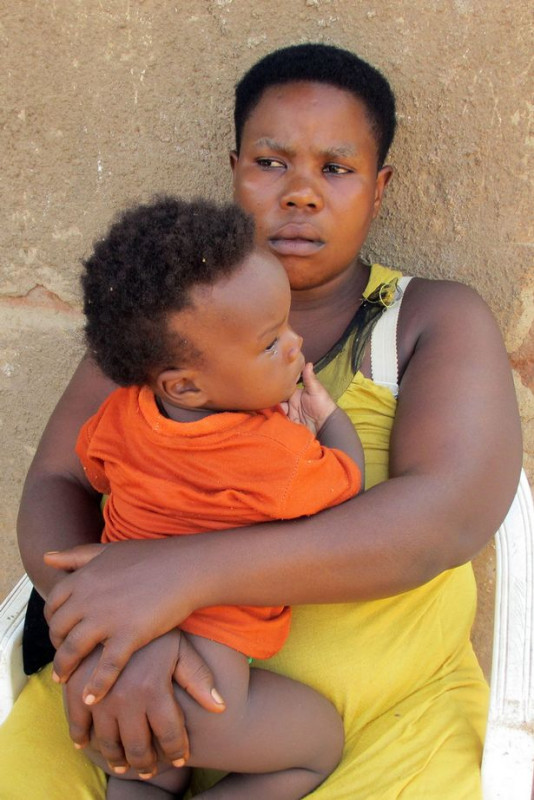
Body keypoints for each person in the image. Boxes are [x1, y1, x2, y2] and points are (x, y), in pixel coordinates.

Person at [0, 43, 522, 800]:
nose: (301, 194)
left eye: (336, 169)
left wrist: (177, 579)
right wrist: (115, 630)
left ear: (379, 189)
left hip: (379, 734)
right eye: (271, 162)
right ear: (234, 169)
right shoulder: (162, 322)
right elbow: (58, 478)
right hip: (118, 699)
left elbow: (443, 521)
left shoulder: (429, 320)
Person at [74, 195, 362, 799]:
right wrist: (327, 419)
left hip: (100, 679)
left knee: (144, 780)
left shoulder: (119, 414)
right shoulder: (273, 453)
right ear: (184, 385)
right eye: (270, 343)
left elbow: (94, 469)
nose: (295, 344)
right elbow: (347, 485)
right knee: (318, 746)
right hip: (203, 696)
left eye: (286, 325)